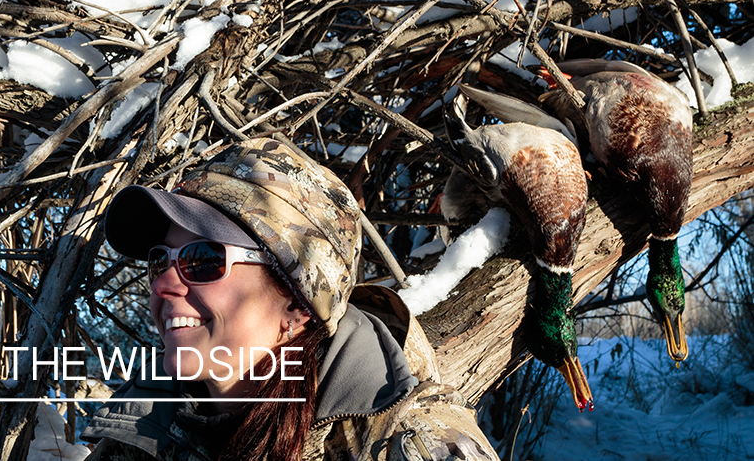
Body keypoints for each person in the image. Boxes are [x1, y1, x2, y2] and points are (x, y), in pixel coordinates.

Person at [83, 137, 501, 461]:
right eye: (160, 260)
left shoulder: (415, 442)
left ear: (297, 305)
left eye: (203, 259)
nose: (163, 284)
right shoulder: (145, 427)